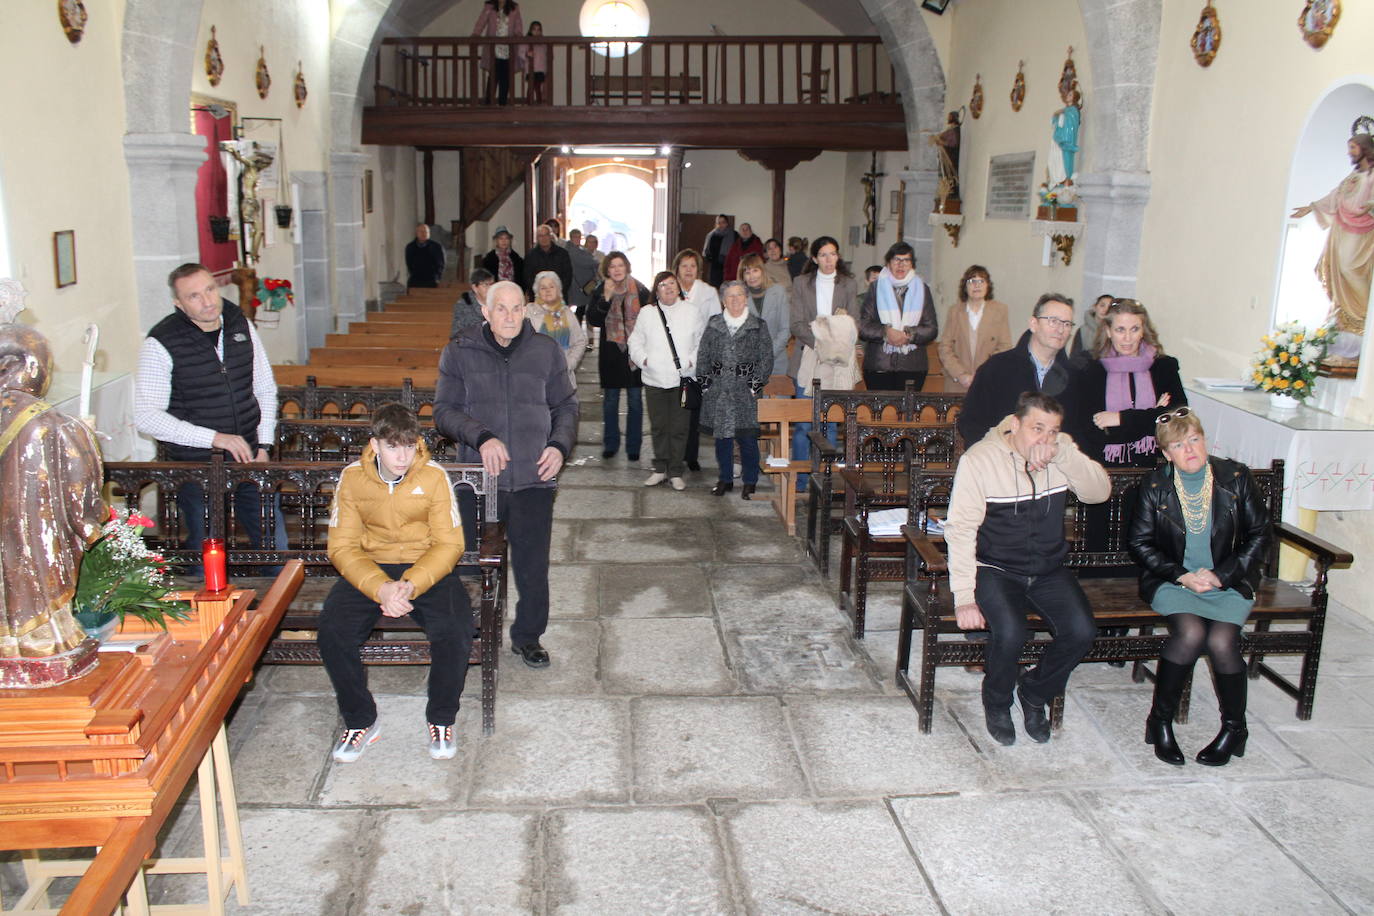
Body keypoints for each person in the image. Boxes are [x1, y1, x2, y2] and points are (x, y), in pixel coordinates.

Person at [944, 391, 1110, 745]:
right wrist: (963, 597)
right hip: (996, 569)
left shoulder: (1061, 452)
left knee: (1082, 632)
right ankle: (997, 701)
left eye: (1053, 431)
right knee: (1011, 633)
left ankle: (1034, 693)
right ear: (1015, 424)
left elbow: (1099, 493)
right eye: (1038, 429)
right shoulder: (981, 459)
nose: (1045, 439)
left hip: (1049, 570)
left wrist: (1063, 452)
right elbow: (960, 530)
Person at [434, 280, 578, 669]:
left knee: (533, 565)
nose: (510, 316)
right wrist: (481, 437)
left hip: (533, 476)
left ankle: (527, 637)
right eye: (502, 308)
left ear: (525, 310)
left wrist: (559, 446)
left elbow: (566, 406)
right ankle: (468, 631)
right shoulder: (460, 351)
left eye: (517, 308)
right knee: (469, 561)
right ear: (486, 311)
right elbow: (444, 411)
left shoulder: (545, 351)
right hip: (480, 480)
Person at [319, 403, 469, 763]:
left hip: (425, 564)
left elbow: (450, 544)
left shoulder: (433, 476)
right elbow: (341, 546)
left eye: (408, 445)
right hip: (371, 566)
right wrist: (380, 588)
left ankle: (441, 717)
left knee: (456, 629)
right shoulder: (353, 478)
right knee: (332, 630)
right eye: (392, 446)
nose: (401, 456)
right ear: (375, 445)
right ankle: (361, 719)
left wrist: (409, 585)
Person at [1128, 408, 1269, 766]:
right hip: (1173, 579)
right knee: (1190, 634)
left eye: (1194, 439)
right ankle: (1159, 723)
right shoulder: (1156, 485)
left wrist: (1223, 575)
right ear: (1166, 453)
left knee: (1222, 640)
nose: (1189, 450)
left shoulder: (1235, 477)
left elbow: (1259, 535)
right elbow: (1141, 544)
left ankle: (1234, 729)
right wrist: (1182, 575)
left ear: (1205, 440)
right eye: (1178, 444)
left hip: (1229, 578)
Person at [134, 263, 281, 561]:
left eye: (210, 290)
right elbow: (147, 415)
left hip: (251, 458)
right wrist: (215, 438)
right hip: (197, 467)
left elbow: (264, 388)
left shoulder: (240, 323)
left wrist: (264, 445)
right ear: (179, 303)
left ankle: (274, 600)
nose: (208, 301)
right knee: (206, 553)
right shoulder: (162, 341)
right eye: (194, 296)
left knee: (273, 547)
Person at [0, 322, 105, 663]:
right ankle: (43, 640)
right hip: (32, 533)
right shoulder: (48, 421)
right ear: (31, 366)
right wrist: (86, 439)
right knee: (33, 576)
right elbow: (79, 488)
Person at [957, 293, 1078, 449]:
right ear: (1034, 324)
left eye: (1067, 324)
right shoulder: (997, 367)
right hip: (1002, 461)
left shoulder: (1075, 377)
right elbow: (972, 421)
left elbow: (1077, 433)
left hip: (1054, 464)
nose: (1060, 329)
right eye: (1053, 321)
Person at [1076, 298, 1185, 469]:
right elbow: (1090, 432)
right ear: (1109, 331)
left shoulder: (1164, 367)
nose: (1127, 338)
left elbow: (1178, 419)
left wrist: (1119, 419)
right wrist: (1154, 415)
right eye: (1120, 330)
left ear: (1143, 330)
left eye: (1134, 329)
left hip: (1155, 468)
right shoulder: (1091, 371)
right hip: (1105, 470)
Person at [1289, 130, 1374, 345]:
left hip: (1363, 234)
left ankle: (1362, 316)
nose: (1349, 153)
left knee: (1349, 268)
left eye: (1353, 148)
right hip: (1343, 231)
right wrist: (1310, 208)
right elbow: (1335, 195)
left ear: (1365, 149)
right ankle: (1343, 314)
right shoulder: (1353, 177)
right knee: (1339, 271)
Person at [789, 236, 858, 489]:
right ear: (815, 258)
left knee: (829, 425)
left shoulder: (848, 284)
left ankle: (824, 480)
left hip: (837, 362)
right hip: (809, 355)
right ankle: (800, 481)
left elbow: (854, 323)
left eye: (834, 254)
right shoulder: (802, 283)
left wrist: (836, 336)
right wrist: (821, 341)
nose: (830, 260)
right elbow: (796, 323)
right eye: (824, 255)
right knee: (804, 425)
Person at [697, 281, 774, 499]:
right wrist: (706, 384)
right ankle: (725, 479)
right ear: (723, 300)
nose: (735, 300)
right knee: (722, 439)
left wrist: (754, 385)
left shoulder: (758, 325)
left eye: (739, 295)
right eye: (729, 296)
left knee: (747, 439)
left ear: (746, 297)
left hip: (745, 391)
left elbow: (766, 358)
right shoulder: (714, 324)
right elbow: (703, 355)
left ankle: (750, 481)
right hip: (719, 390)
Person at [628, 272, 703, 490]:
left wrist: (690, 362)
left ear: (679, 287)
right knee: (659, 427)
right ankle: (660, 469)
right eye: (663, 284)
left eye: (672, 283)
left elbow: (702, 342)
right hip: (654, 379)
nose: (668, 287)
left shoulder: (692, 312)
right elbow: (635, 341)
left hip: (683, 379)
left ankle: (676, 471)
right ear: (656, 290)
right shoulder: (647, 313)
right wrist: (644, 360)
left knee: (680, 428)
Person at [586, 251, 651, 461]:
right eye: (612, 266)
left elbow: (650, 318)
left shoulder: (640, 289)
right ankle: (611, 443)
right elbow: (594, 320)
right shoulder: (600, 289)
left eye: (620, 265)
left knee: (634, 401)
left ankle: (633, 447)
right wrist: (605, 299)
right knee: (611, 401)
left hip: (634, 353)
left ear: (627, 267)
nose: (616, 269)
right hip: (611, 354)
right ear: (607, 269)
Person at [857, 242, 938, 391]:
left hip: (912, 366)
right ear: (888, 263)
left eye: (906, 260)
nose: (901, 265)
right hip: (879, 364)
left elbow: (931, 329)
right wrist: (886, 333)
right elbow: (863, 326)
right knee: (880, 413)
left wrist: (908, 335)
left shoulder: (922, 289)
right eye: (896, 260)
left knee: (907, 413)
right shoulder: (876, 288)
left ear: (912, 264)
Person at [674, 248, 720, 471]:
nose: (689, 270)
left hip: (700, 356)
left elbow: (715, 323)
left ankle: (691, 455)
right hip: (673, 355)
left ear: (698, 269)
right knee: (674, 408)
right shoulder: (669, 289)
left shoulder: (709, 292)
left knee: (692, 406)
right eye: (684, 266)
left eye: (692, 266)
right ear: (677, 269)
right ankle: (673, 453)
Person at [938, 264, 1012, 391]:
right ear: (965, 287)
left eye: (981, 281)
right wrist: (961, 375)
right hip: (958, 383)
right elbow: (945, 347)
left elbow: (1005, 347)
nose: (977, 285)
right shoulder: (954, 312)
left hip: (988, 381)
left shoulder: (1000, 310)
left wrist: (982, 373)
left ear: (988, 285)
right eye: (972, 281)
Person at [737, 253, 791, 378]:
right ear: (742, 276)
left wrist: (768, 354)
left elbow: (785, 330)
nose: (752, 276)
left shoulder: (779, 292)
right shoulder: (739, 297)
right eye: (747, 272)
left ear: (762, 271)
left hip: (777, 361)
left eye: (755, 270)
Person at [529, 270, 586, 386]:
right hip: (536, 378)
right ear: (537, 292)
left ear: (558, 289)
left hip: (563, 379)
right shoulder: (528, 313)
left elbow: (580, 341)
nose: (548, 290)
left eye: (551, 286)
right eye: (543, 288)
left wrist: (570, 364)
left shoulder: (567, 313)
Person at [472, 0, 523, 106]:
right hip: (493, 48)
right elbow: (481, 21)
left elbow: (518, 25)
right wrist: (476, 34)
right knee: (493, 75)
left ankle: (502, 103)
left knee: (506, 77)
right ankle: (488, 103)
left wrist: (518, 36)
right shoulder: (490, 7)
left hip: (508, 49)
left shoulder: (514, 7)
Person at [522, 223, 573, 299]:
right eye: (540, 236)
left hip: (559, 297)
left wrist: (557, 292)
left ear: (551, 236)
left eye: (546, 235)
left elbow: (568, 276)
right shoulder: (530, 255)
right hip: (538, 298)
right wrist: (540, 292)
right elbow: (528, 277)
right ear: (537, 238)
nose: (544, 238)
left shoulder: (562, 254)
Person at [450, 267, 494, 338]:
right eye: (485, 285)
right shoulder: (463, 306)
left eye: (491, 284)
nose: (490, 288)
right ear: (475, 288)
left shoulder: (498, 303)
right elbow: (456, 334)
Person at [1069, 294, 1114, 362]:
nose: (1105, 309)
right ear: (1095, 307)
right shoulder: (1082, 330)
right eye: (1102, 305)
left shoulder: (1115, 332)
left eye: (1109, 307)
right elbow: (1074, 358)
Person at [405, 223, 445, 289]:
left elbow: (440, 264)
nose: (424, 234)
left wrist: (437, 278)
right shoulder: (410, 247)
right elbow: (409, 264)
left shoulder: (436, 247)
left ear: (429, 234)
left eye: (426, 232)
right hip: (415, 279)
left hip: (431, 280)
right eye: (421, 231)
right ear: (416, 233)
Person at [701, 214, 736, 288]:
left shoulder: (734, 235)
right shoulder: (711, 235)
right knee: (714, 289)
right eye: (718, 223)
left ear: (727, 223)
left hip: (729, 267)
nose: (721, 225)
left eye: (723, 222)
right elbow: (706, 252)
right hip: (715, 268)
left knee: (728, 289)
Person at [523, 20, 547, 104]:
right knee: (531, 87)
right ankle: (529, 102)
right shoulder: (527, 41)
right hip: (531, 69)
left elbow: (547, 55)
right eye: (534, 29)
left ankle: (538, 102)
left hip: (540, 69)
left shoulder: (543, 42)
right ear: (530, 30)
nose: (536, 32)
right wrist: (527, 54)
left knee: (537, 87)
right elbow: (521, 52)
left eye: (538, 29)